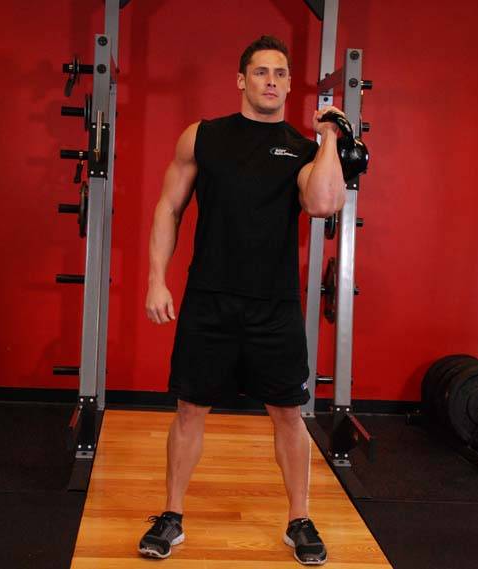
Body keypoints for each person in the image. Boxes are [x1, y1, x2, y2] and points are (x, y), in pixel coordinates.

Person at [139, 34, 346, 566]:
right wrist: (157, 279)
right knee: (190, 409)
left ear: (289, 84)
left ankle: (299, 519)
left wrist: (328, 137)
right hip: (209, 297)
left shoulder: (302, 149)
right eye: (260, 72)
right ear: (241, 79)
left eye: (280, 73)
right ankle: (172, 515)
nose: (271, 81)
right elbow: (168, 207)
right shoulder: (203, 137)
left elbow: (324, 203)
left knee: (289, 414)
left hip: (273, 304)